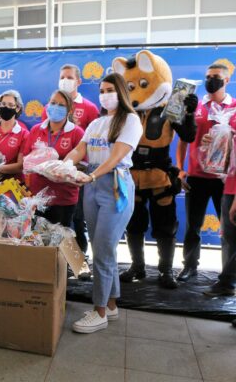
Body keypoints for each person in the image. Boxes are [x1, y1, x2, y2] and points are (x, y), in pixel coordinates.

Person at [65, 73, 142, 333]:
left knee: (103, 249)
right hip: (92, 186)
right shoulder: (96, 123)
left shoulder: (131, 120)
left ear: (121, 92)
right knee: (103, 249)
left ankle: (98, 312)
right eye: (101, 90)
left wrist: (93, 174)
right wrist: (64, 164)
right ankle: (110, 305)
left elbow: (118, 155)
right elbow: (80, 150)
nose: (105, 94)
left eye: (110, 89)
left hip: (115, 186)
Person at [114, 50, 197, 289]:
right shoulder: (127, 111)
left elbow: (188, 136)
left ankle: (166, 271)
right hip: (131, 177)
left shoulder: (173, 105)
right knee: (134, 225)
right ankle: (137, 267)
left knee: (165, 227)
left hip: (160, 177)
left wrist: (189, 113)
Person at [176, 63, 236, 281]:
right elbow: (183, 141)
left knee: (228, 230)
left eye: (216, 77)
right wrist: (181, 170)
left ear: (227, 80)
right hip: (196, 177)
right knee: (193, 226)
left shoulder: (235, 108)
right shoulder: (197, 107)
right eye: (208, 76)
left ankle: (228, 275)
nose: (211, 80)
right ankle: (189, 266)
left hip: (226, 181)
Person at [42, 64, 99, 270]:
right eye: (62, 77)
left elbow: (93, 144)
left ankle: (80, 264)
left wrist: (75, 167)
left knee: (77, 221)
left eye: (69, 77)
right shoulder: (48, 109)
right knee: (51, 224)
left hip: (77, 174)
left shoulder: (91, 109)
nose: (65, 80)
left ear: (78, 81)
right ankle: (54, 264)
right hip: (48, 175)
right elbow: (45, 135)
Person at [23, 89, 84, 227]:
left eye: (61, 105)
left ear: (69, 110)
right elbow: (26, 161)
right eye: (53, 103)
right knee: (36, 241)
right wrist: (36, 167)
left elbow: (83, 165)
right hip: (37, 197)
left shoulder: (76, 133)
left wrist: (60, 169)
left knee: (59, 242)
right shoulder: (36, 130)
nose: (56, 107)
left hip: (63, 199)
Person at [201, 104, 236, 298]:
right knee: (229, 239)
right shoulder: (230, 116)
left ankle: (226, 280)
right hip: (229, 185)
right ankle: (228, 283)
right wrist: (213, 142)